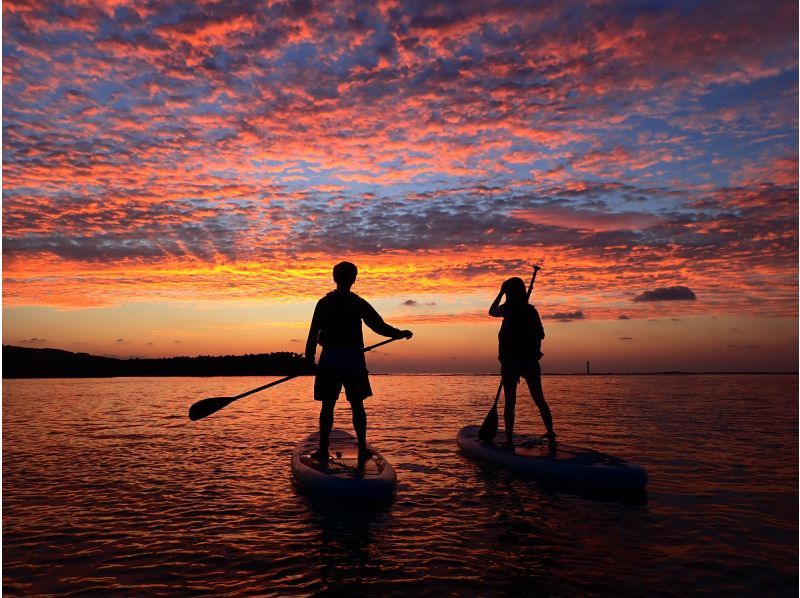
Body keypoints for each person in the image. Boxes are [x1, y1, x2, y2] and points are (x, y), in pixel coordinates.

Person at [305, 261, 412, 463]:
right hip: (353, 360)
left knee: (328, 406)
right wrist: (398, 333)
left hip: (330, 359)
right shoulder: (357, 302)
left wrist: (309, 359)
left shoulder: (324, 303)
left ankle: (323, 449)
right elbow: (379, 326)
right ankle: (362, 448)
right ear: (354, 279)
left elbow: (312, 334)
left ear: (334, 278)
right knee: (357, 405)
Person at [489, 276, 555, 448]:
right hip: (529, 361)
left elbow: (491, 311)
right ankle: (551, 432)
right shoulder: (530, 310)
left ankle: (509, 439)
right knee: (539, 399)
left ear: (508, 293)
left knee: (510, 402)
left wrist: (500, 292)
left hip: (513, 362)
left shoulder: (507, 309)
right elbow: (542, 334)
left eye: (506, 291)